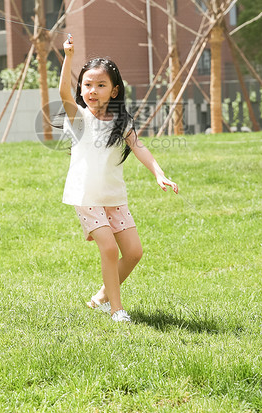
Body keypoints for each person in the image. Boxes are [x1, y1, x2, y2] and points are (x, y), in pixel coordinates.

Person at [59, 34, 179, 323]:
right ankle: (116, 309)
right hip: (86, 195)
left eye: (101, 85)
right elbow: (64, 94)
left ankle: (100, 296)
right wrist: (69, 57)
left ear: (114, 91)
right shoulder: (79, 118)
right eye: (87, 84)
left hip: (113, 196)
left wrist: (159, 174)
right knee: (109, 248)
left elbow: (139, 147)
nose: (92, 90)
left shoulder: (121, 122)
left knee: (135, 253)